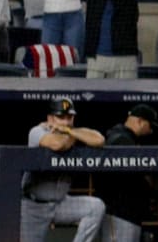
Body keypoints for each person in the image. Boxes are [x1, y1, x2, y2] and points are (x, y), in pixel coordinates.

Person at [21, 98, 106, 242]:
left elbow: (99, 140)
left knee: (96, 207)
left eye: (69, 117)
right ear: (50, 118)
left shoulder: (72, 131)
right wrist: (72, 134)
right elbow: (57, 144)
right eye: (60, 117)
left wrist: (68, 131)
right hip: (34, 206)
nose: (65, 121)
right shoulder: (37, 131)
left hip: (61, 204)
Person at [96, 105, 158, 242]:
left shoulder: (124, 138)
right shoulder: (120, 139)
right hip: (119, 213)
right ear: (140, 121)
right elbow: (132, 180)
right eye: (150, 125)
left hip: (126, 214)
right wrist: (155, 193)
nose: (151, 130)